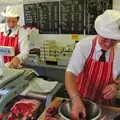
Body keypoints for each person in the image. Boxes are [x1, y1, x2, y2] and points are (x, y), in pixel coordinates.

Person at [65, 10, 120, 120]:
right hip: (81, 101)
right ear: (98, 32)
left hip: (105, 104)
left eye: (114, 40)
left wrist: (116, 86)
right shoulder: (83, 46)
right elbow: (70, 74)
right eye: (104, 39)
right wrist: (75, 99)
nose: (108, 44)